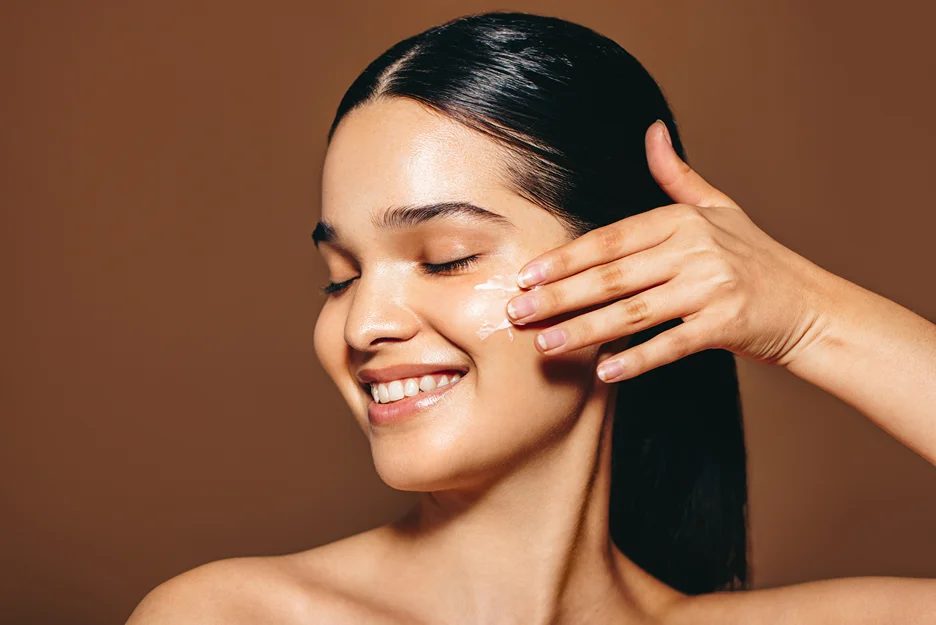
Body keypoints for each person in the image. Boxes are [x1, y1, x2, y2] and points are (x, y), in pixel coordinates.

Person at [127, 11, 936, 624]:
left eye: (445, 256)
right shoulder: (232, 614)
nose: (363, 321)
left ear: (632, 271)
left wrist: (809, 316)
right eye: (338, 278)